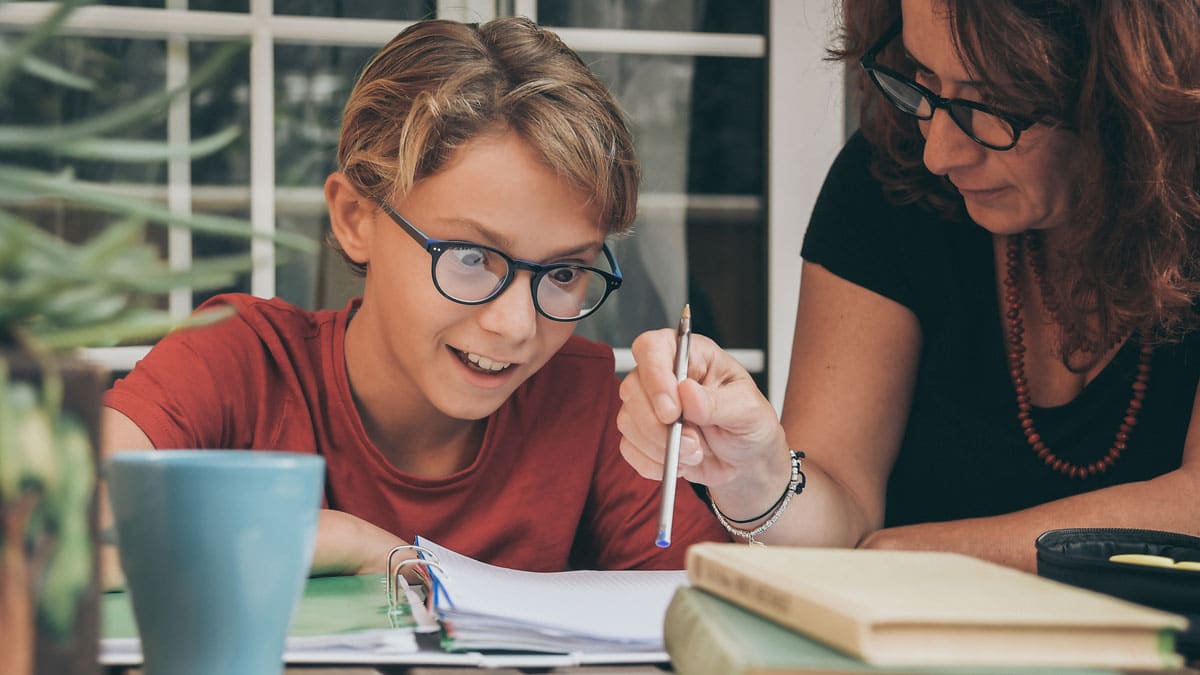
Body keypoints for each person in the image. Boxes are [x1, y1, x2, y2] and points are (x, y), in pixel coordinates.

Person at [101, 16, 727, 579]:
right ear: (356, 218)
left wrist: (753, 476)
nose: (516, 325)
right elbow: (58, 534)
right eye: (471, 257)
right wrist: (353, 545)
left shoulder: (584, 405)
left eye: (564, 272)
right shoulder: (241, 362)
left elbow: (720, 598)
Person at [618, 0, 1200, 572]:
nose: (939, 152)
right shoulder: (891, 177)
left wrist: (896, 555)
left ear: (1124, 89)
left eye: (991, 103)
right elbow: (836, 513)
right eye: (924, 79)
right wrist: (756, 473)